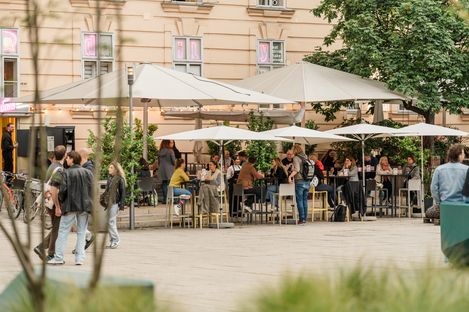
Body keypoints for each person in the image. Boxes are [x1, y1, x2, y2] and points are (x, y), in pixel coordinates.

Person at [48, 151, 93, 265]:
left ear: (72, 159)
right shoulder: (88, 173)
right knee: (82, 232)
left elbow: (57, 190)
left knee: (63, 232)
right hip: (84, 206)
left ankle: (58, 258)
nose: (66, 160)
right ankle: (79, 259)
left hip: (69, 206)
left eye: (67, 158)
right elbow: (92, 190)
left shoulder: (65, 172)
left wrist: (58, 205)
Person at [34, 145, 66, 261]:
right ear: (65, 155)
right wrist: (58, 206)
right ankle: (49, 252)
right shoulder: (60, 169)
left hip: (48, 202)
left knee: (56, 227)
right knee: (57, 228)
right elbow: (54, 189)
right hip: (54, 202)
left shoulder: (51, 166)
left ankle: (43, 248)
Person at [429, 144, 468, 220]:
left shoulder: (439, 169)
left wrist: (439, 202)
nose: (464, 155)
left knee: (428, 212)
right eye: (463, 153)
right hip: (463, 205)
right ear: (459, 156)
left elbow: (433, 188)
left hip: (445, 205)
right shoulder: (467, 169)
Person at [105, 161, 126, 249]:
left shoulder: (120, 179)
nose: (109, 169)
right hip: (109, 203)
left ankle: (116, 240)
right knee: (110, 222)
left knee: (111, 222)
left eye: (111, 168)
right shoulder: (110, 178)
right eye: (109, 167)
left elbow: (123, 192)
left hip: (115, 203)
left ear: (116, 170)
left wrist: (121, 204)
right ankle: (112, 241)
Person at [289, 144, 310, 225]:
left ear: (295, 150)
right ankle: (304, 218)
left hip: (300, 181)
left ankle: (301, 219)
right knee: (305, 200)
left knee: (300, 200)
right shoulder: (305, 156)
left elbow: (297, 169)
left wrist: (290, 176)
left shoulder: (296, 158)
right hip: (307, 181)